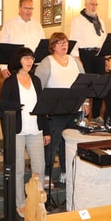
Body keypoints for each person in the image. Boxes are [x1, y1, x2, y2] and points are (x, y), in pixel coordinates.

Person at [0, 47, 51, 218]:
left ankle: (38, 202)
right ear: (18, 61)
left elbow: (43, 107)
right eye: (26, 58)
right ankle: (20, 203)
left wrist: (46, 131)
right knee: (18, 170)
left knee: (39, 167)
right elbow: (3, 111)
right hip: (17, 131)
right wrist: (7, 135)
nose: (29, 61)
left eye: (31, 58)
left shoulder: (36, 80)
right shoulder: (9, 82)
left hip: (36, 129)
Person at [35, 32, 86, 187]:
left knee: (70, 142)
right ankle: (47, 174)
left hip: (74, 109)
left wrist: (86, 104)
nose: (64, 45)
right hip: (55, 111)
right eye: (60, 43)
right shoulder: (47, 62)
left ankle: (66, 172)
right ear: (53, 46)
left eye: (66, 42)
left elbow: (84, 82)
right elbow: (38, 86)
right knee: (53, 144)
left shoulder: (74, 61)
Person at [69, 0, 107, 125]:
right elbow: (73, 39)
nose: (94, 7)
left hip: (99, 54)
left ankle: (96, 114)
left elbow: (103, 39)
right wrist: (76, 57)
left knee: (100, 85)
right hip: (85, 54)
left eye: (96, 4)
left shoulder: (100, 21)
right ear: (85, 5)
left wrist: (105, 56)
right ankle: (83, 114)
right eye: (91, 4)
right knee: (85, 84)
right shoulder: (78, 21)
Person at [0, 0, 45, 78]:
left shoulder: (38, 25)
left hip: (34, 66)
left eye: (31, 8)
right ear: (19, 8)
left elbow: (42, 46)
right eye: (26, 8)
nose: (29, 11)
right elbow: (3, 47)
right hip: (15, 66)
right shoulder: (9, 25)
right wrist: (3, 67)